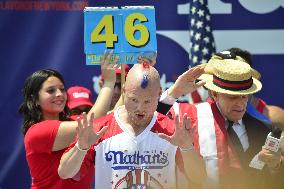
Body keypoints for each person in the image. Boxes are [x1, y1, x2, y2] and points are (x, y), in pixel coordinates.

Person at [58, 63, 206, 189]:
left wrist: (187, 148)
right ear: (124, 92)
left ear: (159, 94)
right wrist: (81, 147)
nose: (140, 108)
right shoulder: (100, 128)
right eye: (134, 99)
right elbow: (64, 173)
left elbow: (200, 179)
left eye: (147, 101)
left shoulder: (171, 130)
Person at [161, 53, 284, 189]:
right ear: (214, 94)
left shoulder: (262, 129)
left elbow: (270, 182)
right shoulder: (189, 117)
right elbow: (152, 121)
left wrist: (275, 166)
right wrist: (174, 92)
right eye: (232, 97)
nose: (240, 104)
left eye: (244, 97)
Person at [18, 51, 119, 189]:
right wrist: (109, 82)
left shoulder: (71, 122)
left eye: (61, 89)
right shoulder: (37, 132)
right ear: (35, 99)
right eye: (51, 91)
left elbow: (114, 116)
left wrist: (135, 80)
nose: (59, 94)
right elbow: (95, 123)